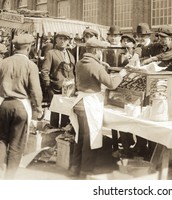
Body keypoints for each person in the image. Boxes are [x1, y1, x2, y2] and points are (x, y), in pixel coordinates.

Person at [70, 38, 127, 178]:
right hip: (89, 104)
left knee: (80, 138)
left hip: (79, 102)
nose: (101, 53)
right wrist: (121, 75)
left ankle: (74, 168)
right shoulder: (96, 66)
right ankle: (85, 171)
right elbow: (111, 84)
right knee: (90, 139)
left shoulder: (80, 63)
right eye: (100, 51)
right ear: (96, 51)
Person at [0, 34, 43, 179]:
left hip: (4, 104)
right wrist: (38, 108)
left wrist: (5, 88)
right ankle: (10, 176)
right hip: (21, 105)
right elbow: (35, 90)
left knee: (1, 137)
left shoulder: (3, 63)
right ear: (28, 48)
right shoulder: (31, 65)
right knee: (17, 141)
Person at [41, 31, 76, 128]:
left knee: (66, 113)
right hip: (55, 88)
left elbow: (72, 72)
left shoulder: (70, 55)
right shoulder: (51, 53)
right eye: (60, 38)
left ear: (68, 41)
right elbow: (44, 70)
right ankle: (52, 133)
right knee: (55, 113)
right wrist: (48, 84)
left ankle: (63, 134)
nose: (62, 41)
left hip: (69, 90)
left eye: (65, 39)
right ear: (56, 39)